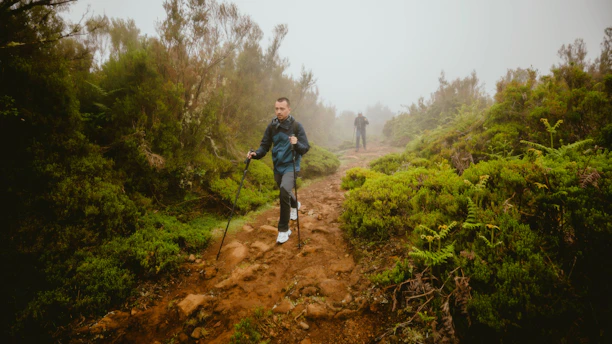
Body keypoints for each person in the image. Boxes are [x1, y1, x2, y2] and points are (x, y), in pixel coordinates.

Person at [247, 97, 310, 244]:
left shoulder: (296, 126)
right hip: (278, 166)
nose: (279, 111)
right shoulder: (272, 127)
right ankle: (295, 204)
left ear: (289, 109)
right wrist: (256, 154)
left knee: (283, 190)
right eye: (276, 109)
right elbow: (264, 146)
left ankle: (283, 230)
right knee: (284, 192)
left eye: (282, 109)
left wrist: (297, 143)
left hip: (292, 165)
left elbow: (305, 148)